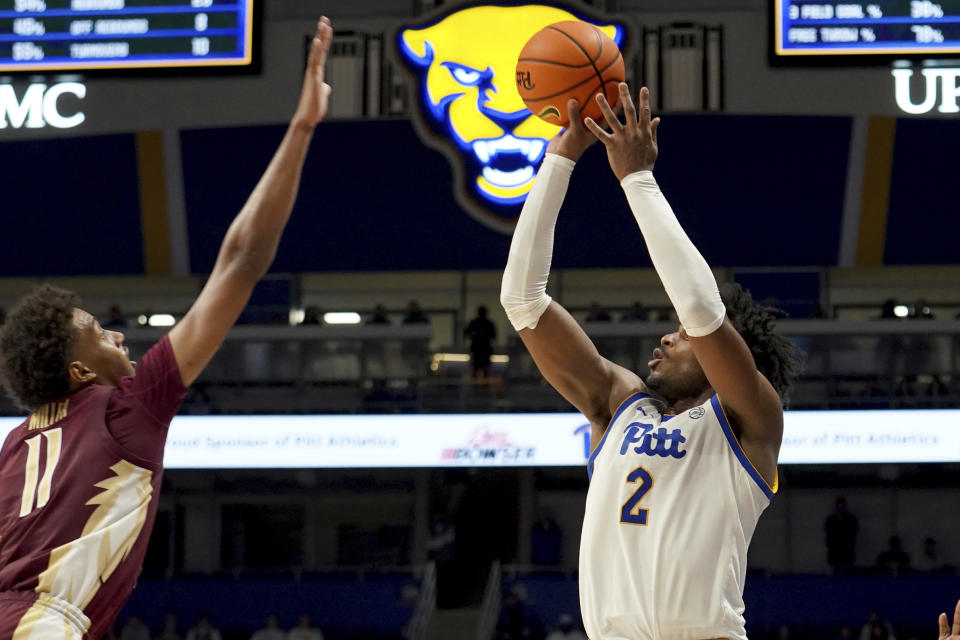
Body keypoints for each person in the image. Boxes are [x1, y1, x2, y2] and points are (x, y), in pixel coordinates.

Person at [0, 17, 335, 640]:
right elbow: (242, 260)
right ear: (78, 371)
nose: (120, 337)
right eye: (101, 334)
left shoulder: (15, 447)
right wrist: (302, 125)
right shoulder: (128, 407)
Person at [500, 85, 801, 640]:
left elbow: (703, 312)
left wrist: (637, 179)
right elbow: (522, 299)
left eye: (681, 337)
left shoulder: (750, 420)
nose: (665, 338)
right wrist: (560, 159)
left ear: (724, 358)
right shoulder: (620, 407)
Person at [825, 496, 859, 570]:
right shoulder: (830, 520)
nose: (840, 509)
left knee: (848, 574)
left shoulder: (851, 519)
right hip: (834, 552)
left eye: (842, 506)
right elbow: (828, 534)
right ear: (836, 507)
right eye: (839, 507)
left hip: (847, 552)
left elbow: (854, 532)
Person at [464, 305, 497, 378]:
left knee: (477, 369)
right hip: (482, 349)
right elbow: (494, 336)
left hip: (478, 349)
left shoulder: (474, 323)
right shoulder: (488, 323)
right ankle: (482, 384)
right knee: (483, 369)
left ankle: (477, 385)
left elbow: (466, 334)